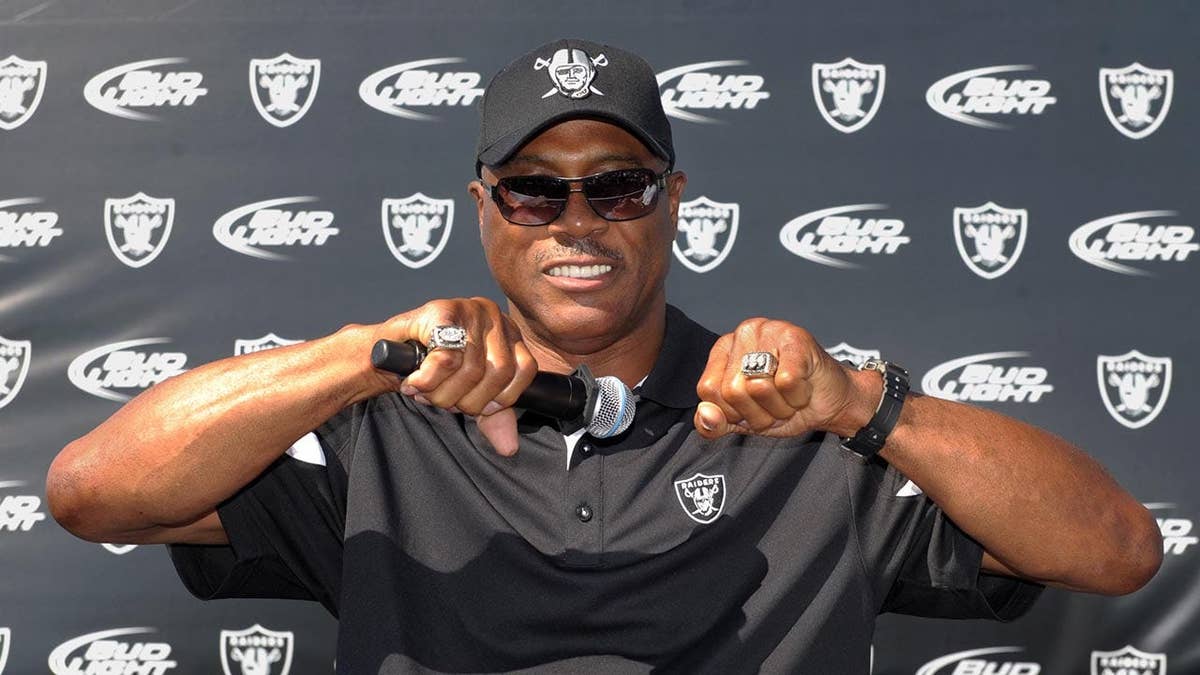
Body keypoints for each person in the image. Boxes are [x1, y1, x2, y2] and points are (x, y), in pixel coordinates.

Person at [47, 39, 1162, 673]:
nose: (576, 220)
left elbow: (1115, 554)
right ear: (485, 210)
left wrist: (865, 403)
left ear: (672, 203)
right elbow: (93, 493)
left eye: (617, 184)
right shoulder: (381, 425)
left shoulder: (803, 430)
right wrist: (364, 354)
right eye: (535, 189)